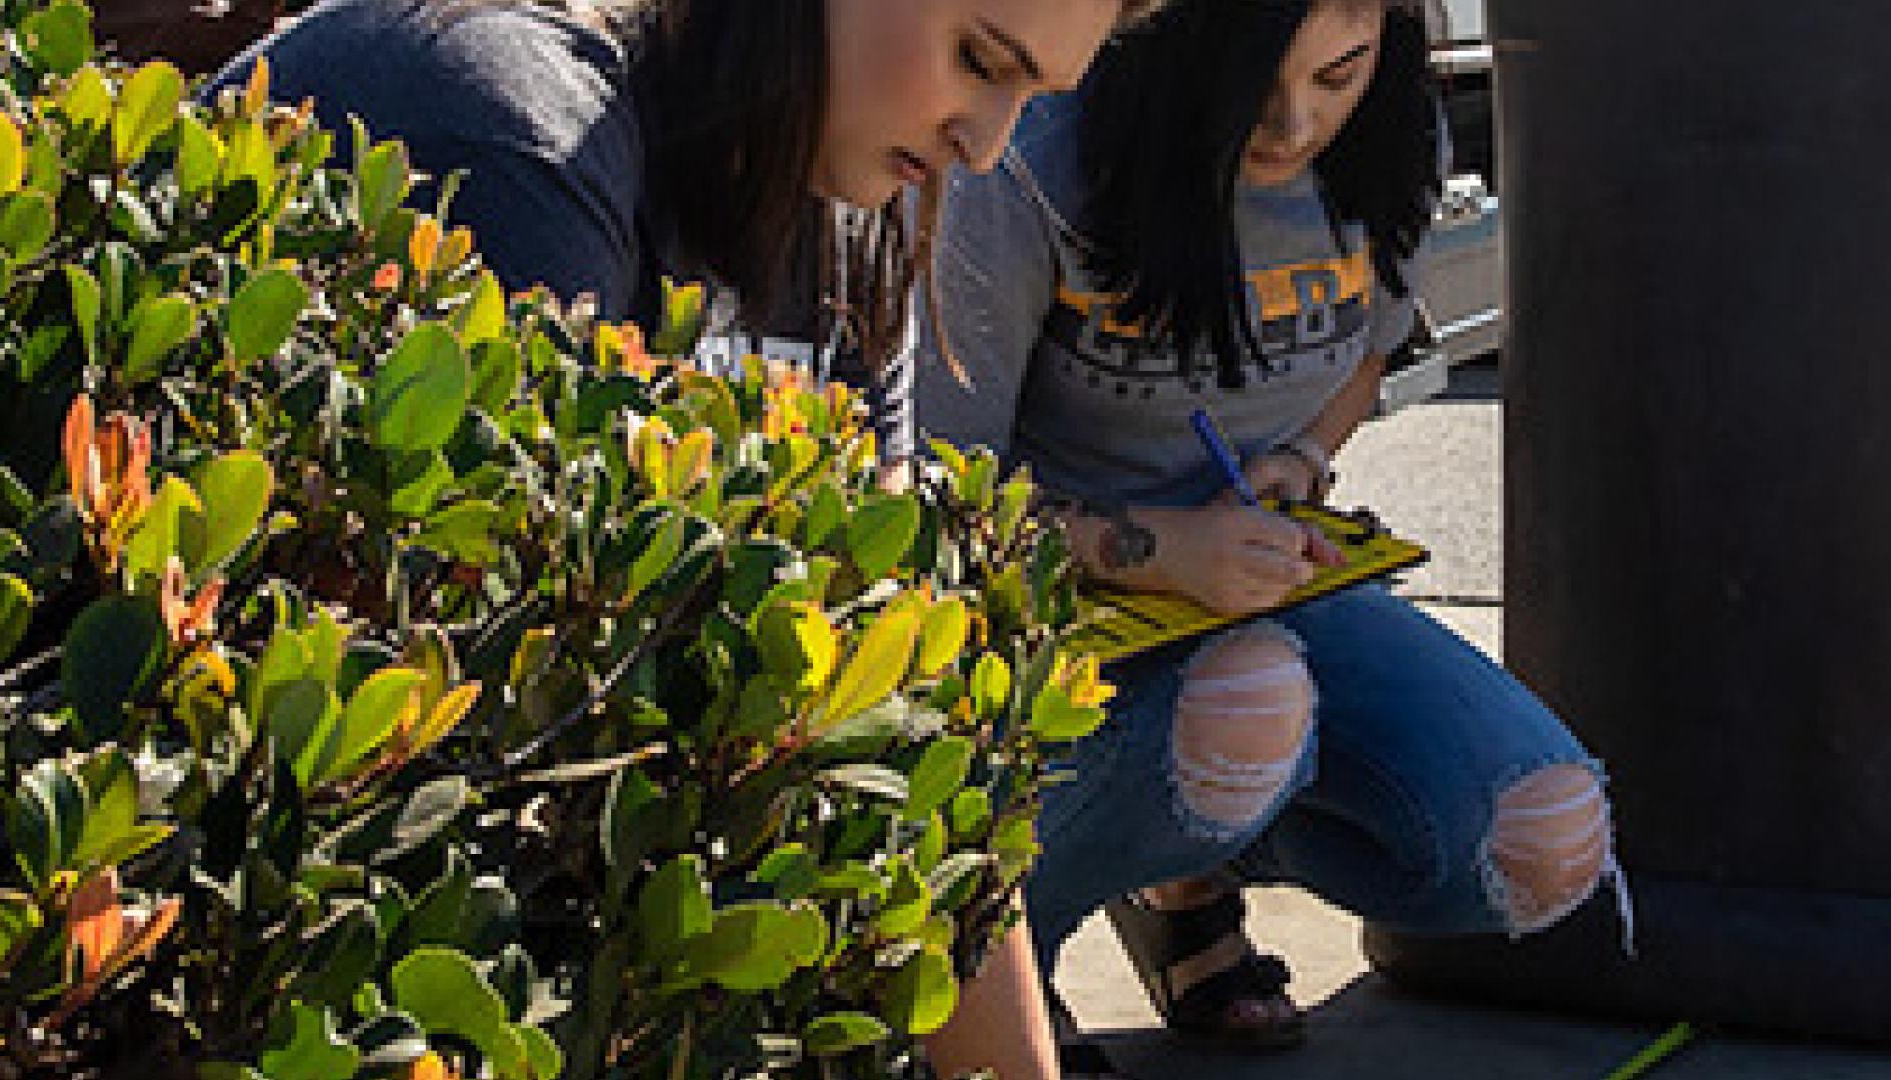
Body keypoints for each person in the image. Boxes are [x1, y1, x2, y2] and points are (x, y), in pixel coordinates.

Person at [210, 1, 1160, 1076]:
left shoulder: (854, 219)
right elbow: (456, 722)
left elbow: (895, 709)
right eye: (978, 60)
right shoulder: (518, 130)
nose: (984, 145)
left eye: (1027, 99)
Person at [915, 0, 1628, 1064]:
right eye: (1256, 80)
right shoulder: (1039, 155)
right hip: (1044, 604)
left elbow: (1371, 352)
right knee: (1250, 706)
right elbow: (933, 485)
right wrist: (1155, 546)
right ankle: (1023, 958)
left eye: (1337, 76)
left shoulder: (1401, 134)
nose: (1294, 126)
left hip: (1267, 580)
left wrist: (1298, 464)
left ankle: (1182, 858)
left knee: (1544, 839)